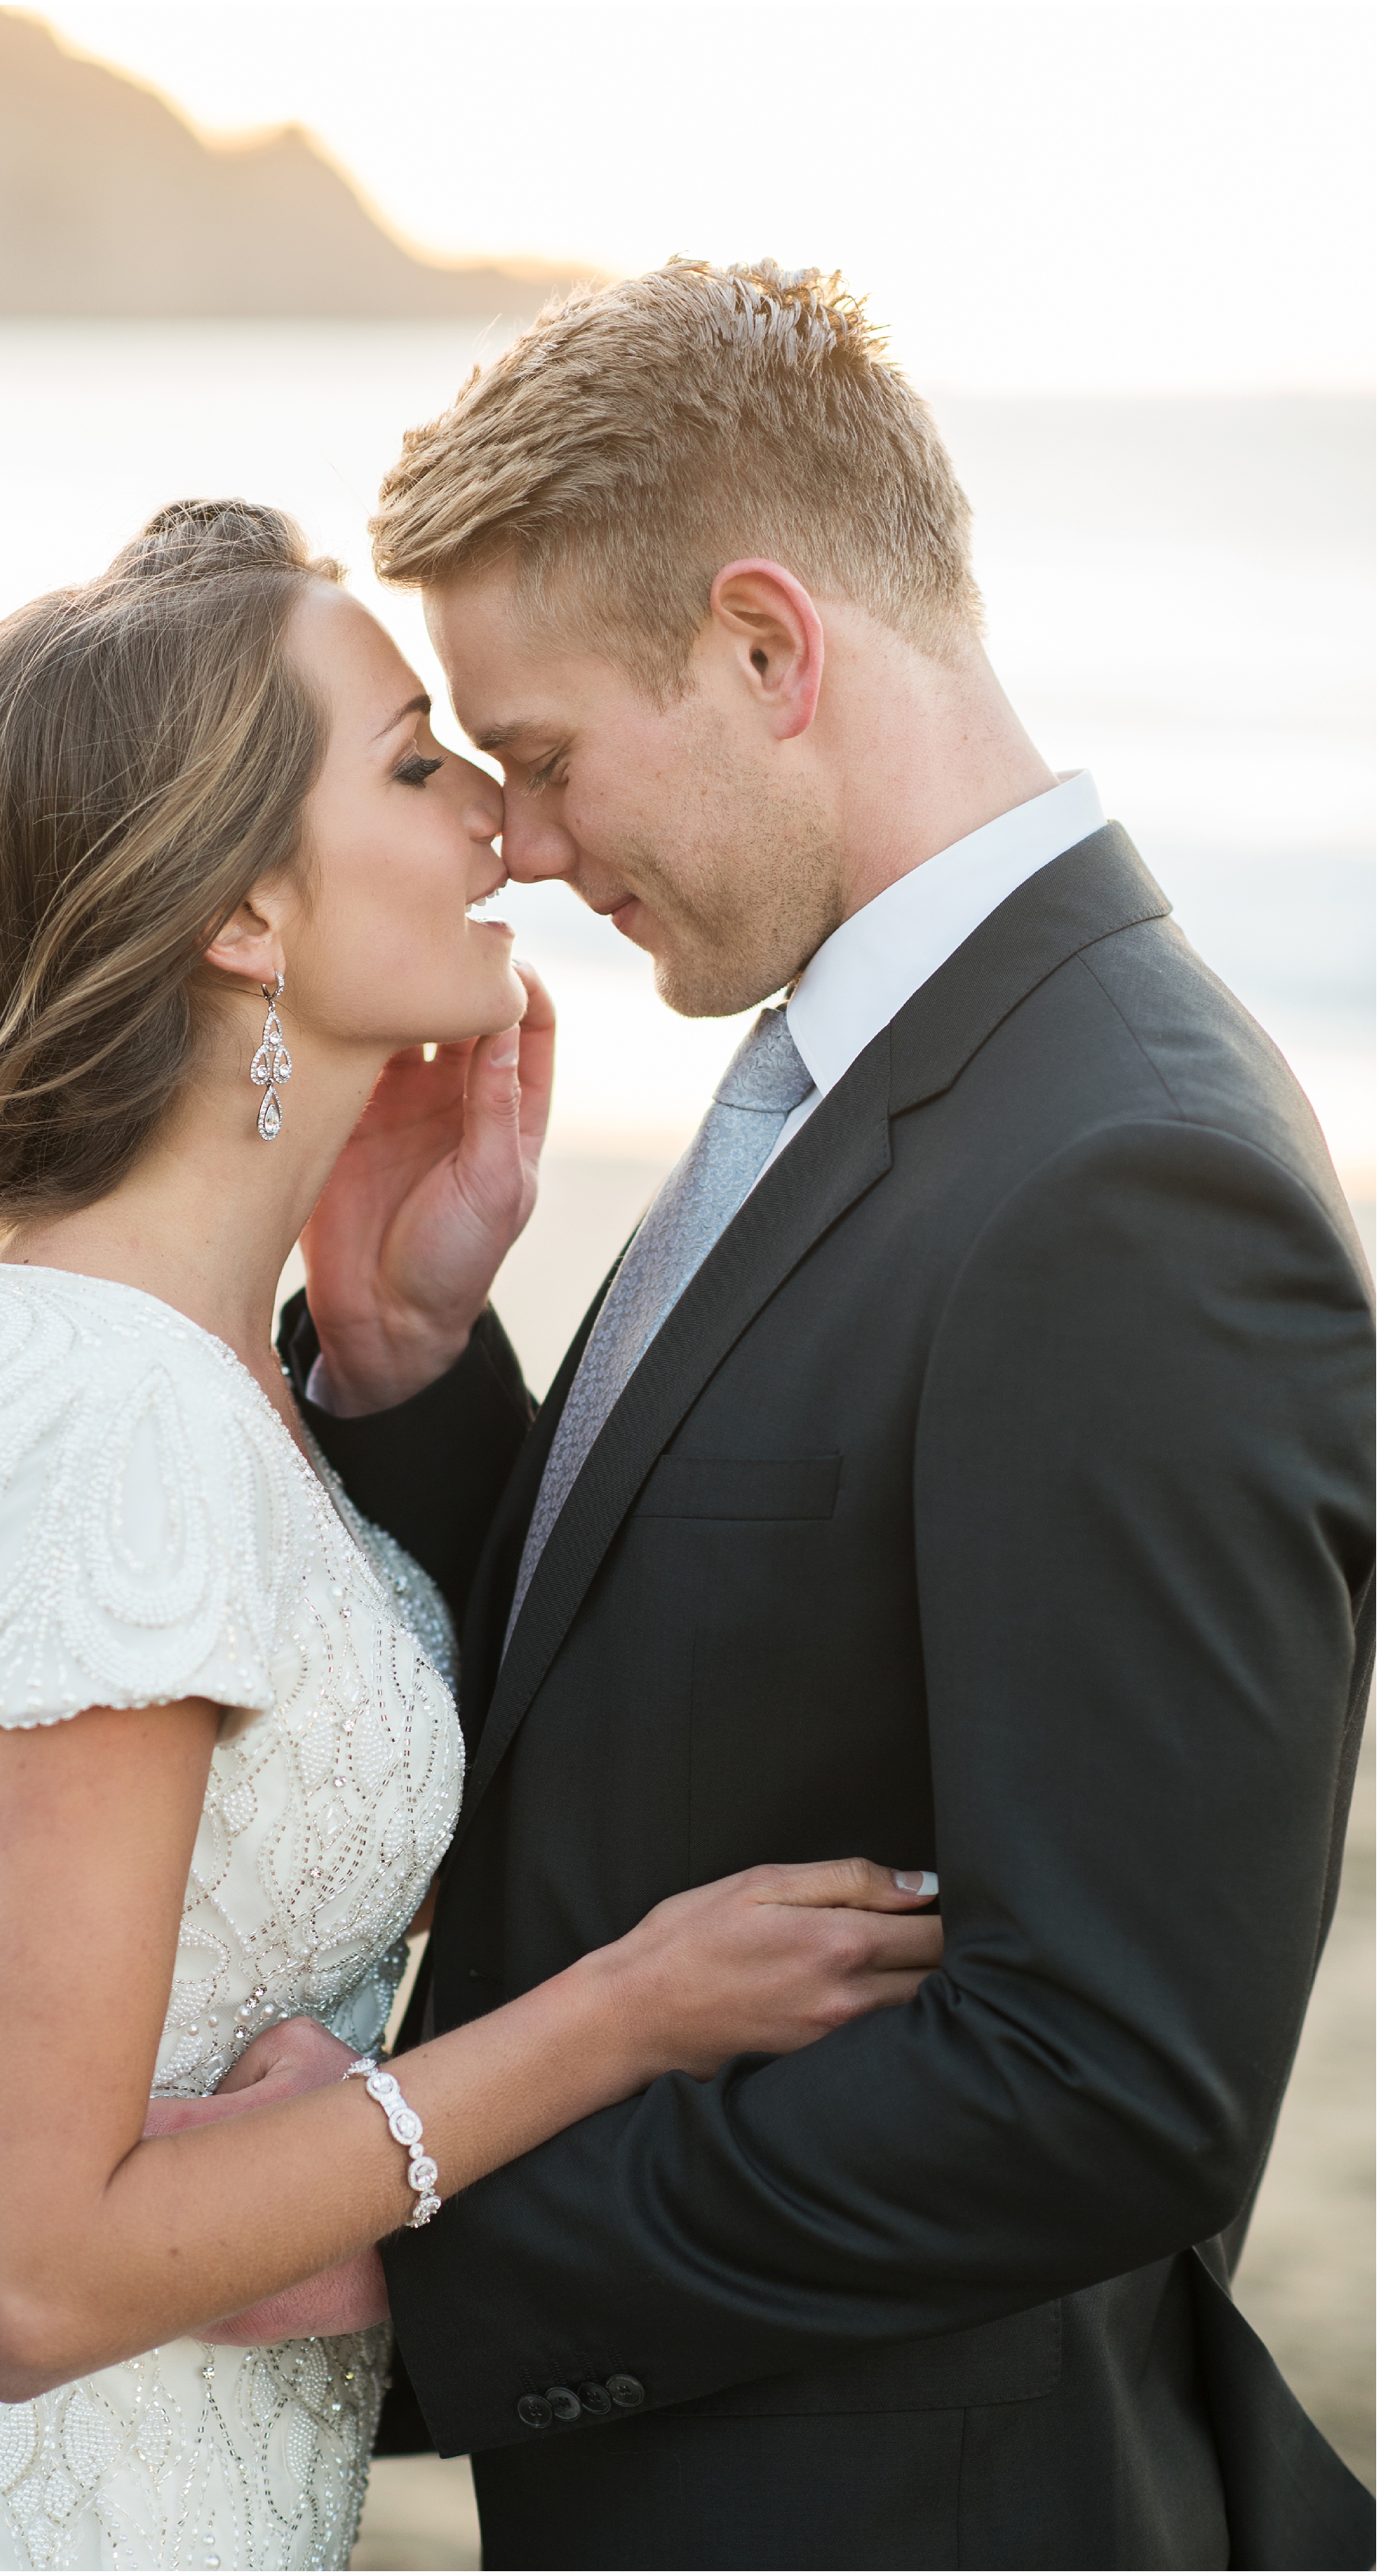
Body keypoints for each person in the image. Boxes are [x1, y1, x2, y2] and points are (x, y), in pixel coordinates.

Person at [0, 499, 945, 2574]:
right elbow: (30, 2281)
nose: (499, 834)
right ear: (245, 911)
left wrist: (400, 1336)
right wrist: (615, 2013)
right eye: (419, 764)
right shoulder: (117, 1428)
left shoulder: (199, 1374)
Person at [278, 263, 1378, 2570]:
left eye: (549, 754)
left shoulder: (1123, 1178)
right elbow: (697, 1715)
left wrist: (420, 2264)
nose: (533, 847)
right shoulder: (860, 1058)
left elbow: (1105, 2084)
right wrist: (408, 1371)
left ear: (768, 649)